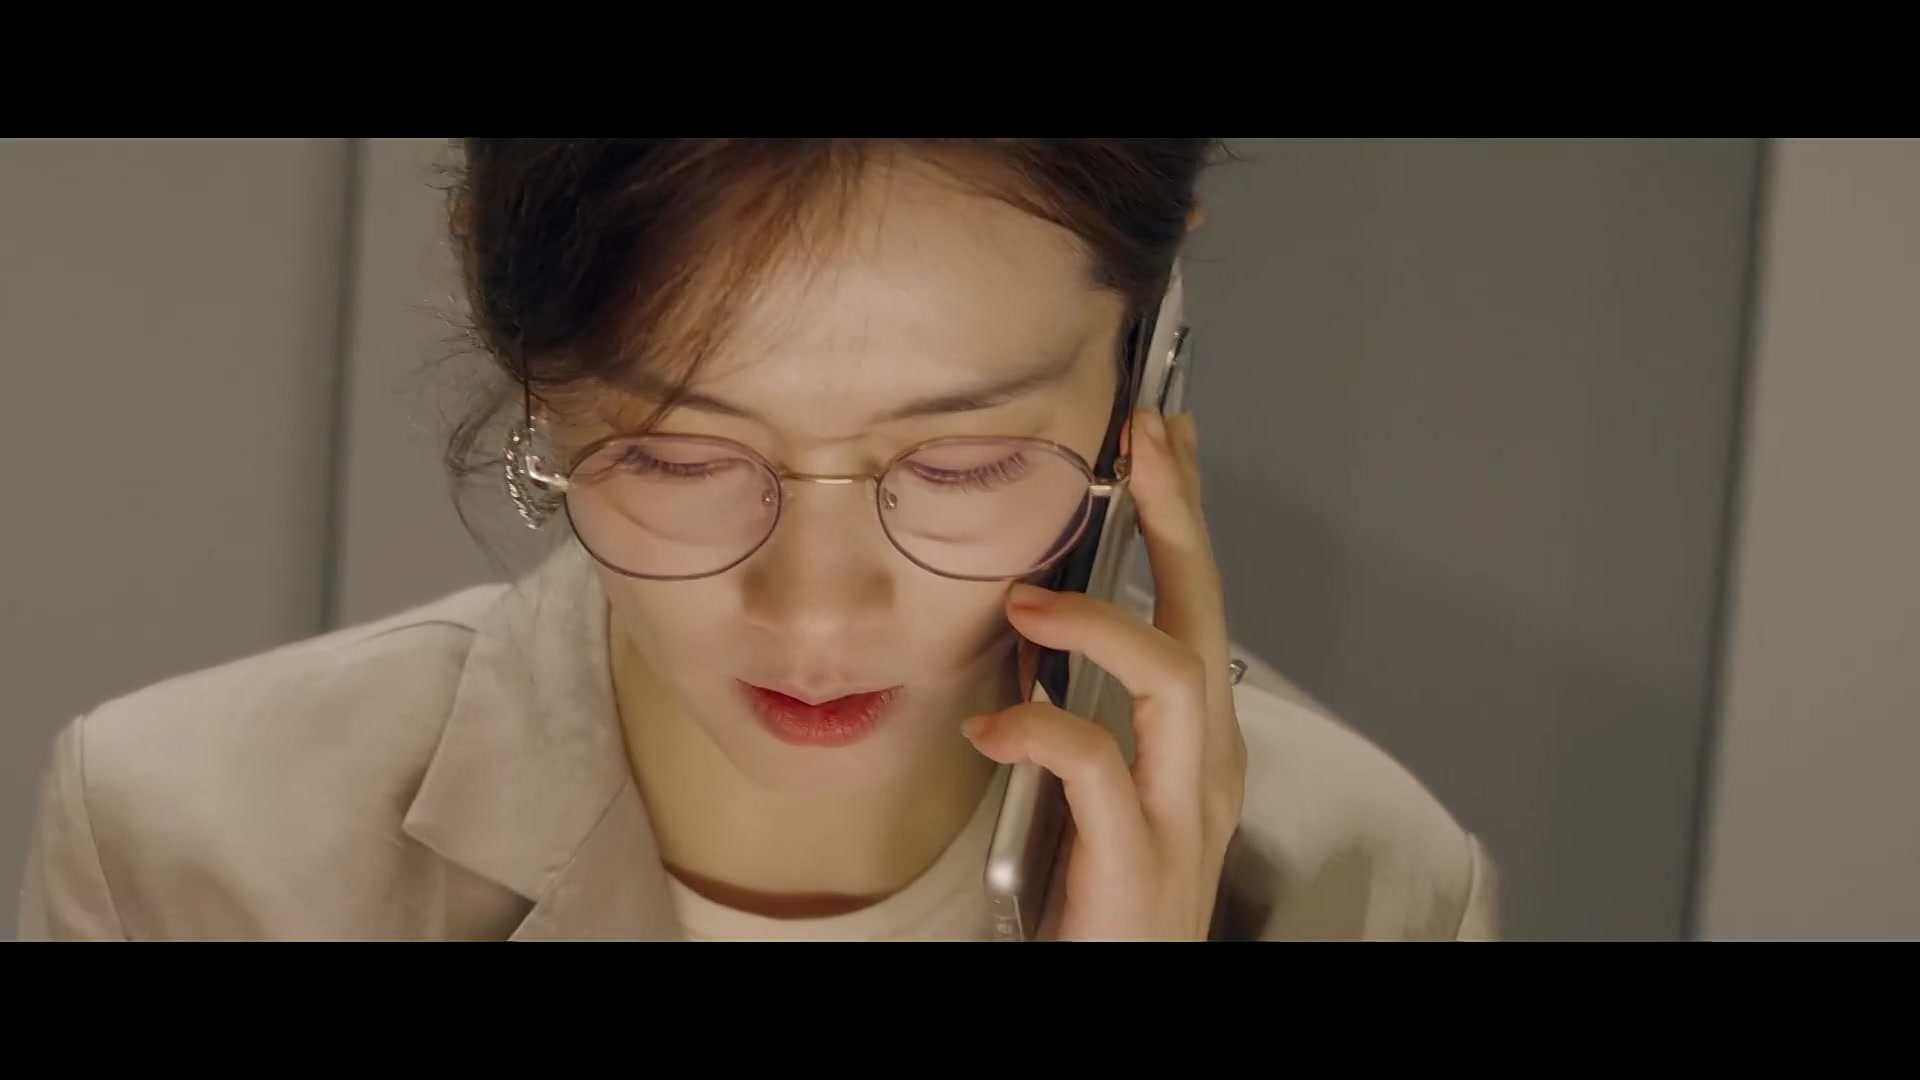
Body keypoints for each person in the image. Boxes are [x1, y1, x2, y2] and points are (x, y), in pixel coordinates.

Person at [17, 139, 1498, 941]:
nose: (817, 615)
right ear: (533, 363)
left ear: (1144, 364)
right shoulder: (193, 851)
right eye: (682, 455)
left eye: (964, 462)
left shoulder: (1371, 893)